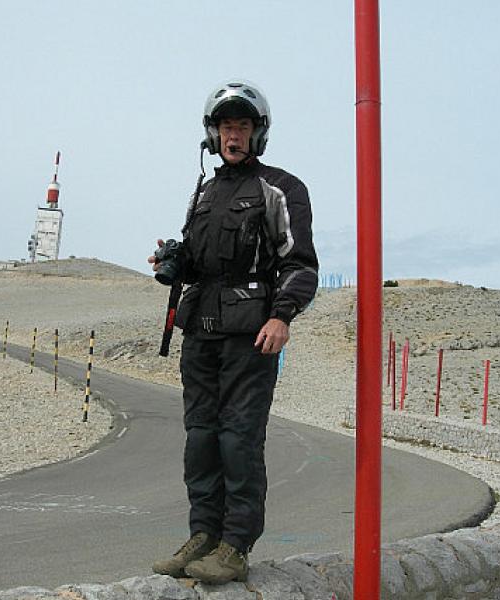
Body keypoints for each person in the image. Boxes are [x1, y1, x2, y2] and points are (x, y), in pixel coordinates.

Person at [148, 80, 318, 584]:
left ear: (257, 133)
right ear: (213, 133)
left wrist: (281, 315)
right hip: (199, 333)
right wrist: (175, 260)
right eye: (226, 127)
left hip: (251, 336)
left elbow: (300, 263)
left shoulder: (282, 188)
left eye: (242, 126)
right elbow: (200, 263)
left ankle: (235, 546)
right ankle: (203, 535)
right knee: (200, 438)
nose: (233, 135)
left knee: (238, 440)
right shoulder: (203, 192)